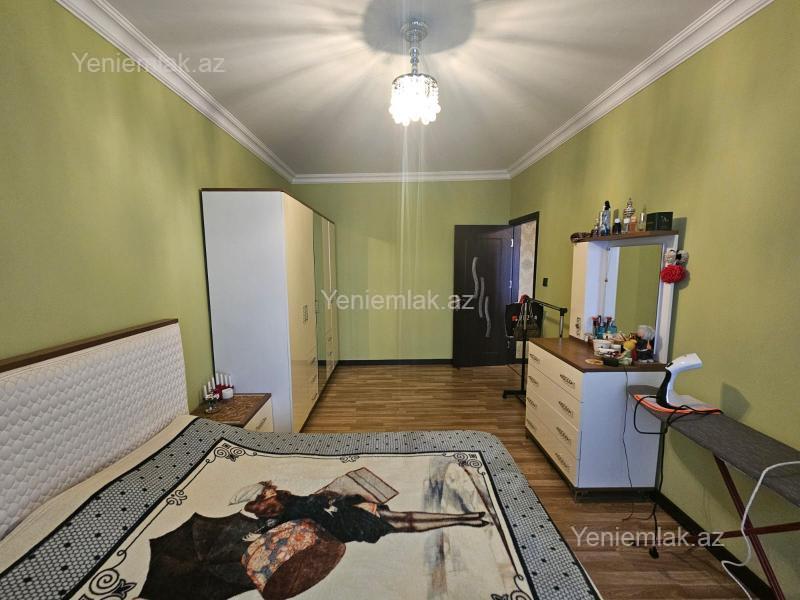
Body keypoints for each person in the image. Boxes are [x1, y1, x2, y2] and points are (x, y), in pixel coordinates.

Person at [141, 479, 489, 599]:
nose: (260, 508)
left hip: (343, 510)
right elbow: (283, 537)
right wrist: (260, 533)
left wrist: (348, 499)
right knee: (400, 522)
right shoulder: (277, 519)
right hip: (343, 526)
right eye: (258, 505)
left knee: (401, 519)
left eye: (260, 502)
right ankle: (462, 519)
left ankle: (463, 518)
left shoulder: (285, 502)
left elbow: (318, 500)